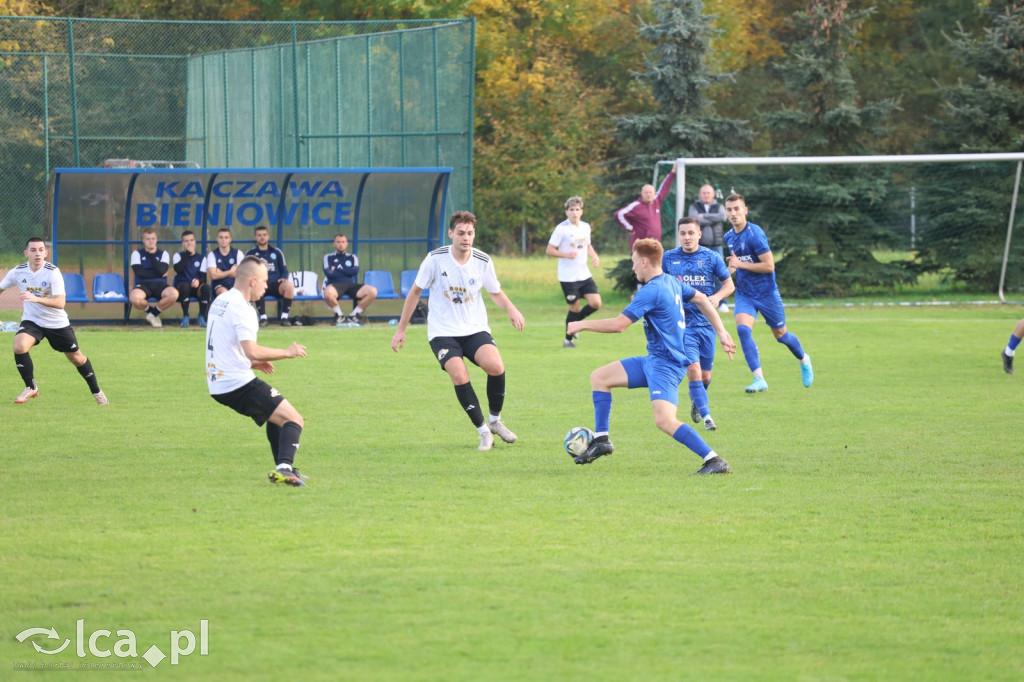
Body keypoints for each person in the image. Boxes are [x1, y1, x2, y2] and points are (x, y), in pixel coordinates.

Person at [567, 238, 735, 474]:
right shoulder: (671, 281)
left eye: (634, 262)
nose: (633, 267)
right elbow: (701, 298)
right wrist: (722, 331)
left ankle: (714, 459)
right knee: (600, 377)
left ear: (644, 261)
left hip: (666, 365)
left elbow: (619, 325)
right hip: (653, 360)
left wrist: (580, 325)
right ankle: (602, 440)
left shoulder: (652, 290)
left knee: (665, 421)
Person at [391, 211, 525, 451]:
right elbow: (414, 293)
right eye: (461, 233)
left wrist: (511, 309)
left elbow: (495, 291)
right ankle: (484, 432)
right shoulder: (435, 259)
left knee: (496, 367)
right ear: (451, 233)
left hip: (474, 329)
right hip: (443, 332)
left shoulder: (482, 260)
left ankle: (495, 421)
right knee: (460, 375)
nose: (466, 238)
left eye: (470, 233)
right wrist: (401, 330)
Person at [205, 255, 309, 486]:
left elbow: (223, 343)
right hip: (235, 382)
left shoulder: (221, 301)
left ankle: (285, 467)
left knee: (277, 416)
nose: (266, 286)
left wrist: (252, 363)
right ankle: (284, 469)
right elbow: (251, 350)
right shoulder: (243, 309)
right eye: (264, 281)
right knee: (295, 420)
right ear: (252, 281)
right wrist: (287, 351)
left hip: (218, 380)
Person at [722, 193, 813, 393]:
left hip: (767, 294)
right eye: (729, 209)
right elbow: (735, 264)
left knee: (781, 335)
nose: (733, 213)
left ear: (745, 210)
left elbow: (769, 266)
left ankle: (804, 359)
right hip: (745, 293)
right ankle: (759, 379)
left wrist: (740, 264)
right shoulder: (728, 237)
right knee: (743, 330)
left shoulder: (755, 234)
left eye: (737, 209)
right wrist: (728, 272)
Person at [0, 237, 108, 405]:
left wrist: (35, 299)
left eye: (41, 250)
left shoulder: (52, 272)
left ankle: (97, 391)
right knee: (19, 345)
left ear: (46, 252)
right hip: (32, 321)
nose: (38, 254)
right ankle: (31, 386)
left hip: (56, 323)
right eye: (33, 250)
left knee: (77, 359)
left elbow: (60, 303)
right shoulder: (18, 271)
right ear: (26, 253)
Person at [663, 217, 736, 430]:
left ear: (699, 234)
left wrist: (717, 297)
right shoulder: (669, 258)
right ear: (679, 235)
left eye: (691, 233)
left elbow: (729, 284)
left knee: (705, 376)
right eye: (683, 233)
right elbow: (660, 284)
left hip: (707, 324)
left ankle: (697, 398)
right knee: (693, 370)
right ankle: (707, 417)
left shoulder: (711, 257)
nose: (687, 237)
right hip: (682, 326)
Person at [546, 195, 602, 348]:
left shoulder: (585, 227)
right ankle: (567, 340)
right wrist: (566, 255)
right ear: (566, 212)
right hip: (568, 277)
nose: (574, 213)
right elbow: (549, 250)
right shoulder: (561, 229)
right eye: (571, 210)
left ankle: (576, 323)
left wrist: (594, 256)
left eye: (577, 210)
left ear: (581, 211)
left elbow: (587, 245)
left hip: (584, 274)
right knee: (574, 307)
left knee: (596, 303)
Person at [615, 159, 678, 249]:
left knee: (657, 263)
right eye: (646, 192)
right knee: (641, 263)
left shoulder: (657, 200)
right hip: (641, 245)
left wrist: (673, 172)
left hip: (656, 244)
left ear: (654, 193)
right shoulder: (636, 206)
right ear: (641, 194)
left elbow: (664, 187)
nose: (649, 195)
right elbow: (619, 214)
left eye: (650, 192)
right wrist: (630, 228)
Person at [246, 225, 297, 327]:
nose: (262, 237)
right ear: (255, 237)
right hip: (260, 284)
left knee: (289, 286)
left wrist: (283, 278)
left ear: (268, 236)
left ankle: (284, 318)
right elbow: (246, 271)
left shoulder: (277, 252)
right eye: (259, 235)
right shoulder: (250, 253)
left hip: (276, 283)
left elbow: (284, 270)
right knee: (255, 287)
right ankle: (263, 318)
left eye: (264, 235)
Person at [322, 233, 377, 326]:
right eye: (338, 242)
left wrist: (337, 269)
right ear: (334, 244)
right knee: (327, 293)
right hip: (335, 285)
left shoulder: (352, 257)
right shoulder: (328, 257)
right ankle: (339, 316)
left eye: (343, 242)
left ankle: (354, 315)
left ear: (347, 244)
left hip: (351, 284)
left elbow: (354, 271)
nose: (341, 244)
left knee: (372, 291)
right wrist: (346, 271)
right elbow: (328, 273)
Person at [128, 227, 178, 328]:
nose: (151, 241)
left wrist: (152, 255)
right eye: (148, 239)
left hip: (160, 285)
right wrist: (159, 273)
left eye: (153, 238)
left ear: (156, 240)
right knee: (134, 298)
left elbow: (161, 270)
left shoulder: (163, 254)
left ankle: (152, 315)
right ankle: (153, 313)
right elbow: (139, 272)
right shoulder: (136, 254)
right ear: (143, 240)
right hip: (143, 284)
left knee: (174, 294)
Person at [172, 230, 210, 328]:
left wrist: (198, 281)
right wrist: (187, 254)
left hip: (196, 287)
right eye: (186, 241)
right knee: (184, 287)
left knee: (206, 288)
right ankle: (186, 316)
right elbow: (178, 269)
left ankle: (201, 316)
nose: (189, 243)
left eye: (191, 240)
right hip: (183, 287)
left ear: (195, 241)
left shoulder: (202, 258)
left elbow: (203, 277)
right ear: (183, 243)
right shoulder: (178, 255)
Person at [202, 228, 245, 299]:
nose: (223, 240)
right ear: (217, 239)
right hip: (219, 285)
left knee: (242, 293)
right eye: (221, 237)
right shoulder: (212, 255)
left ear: (230, 239)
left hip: (236, 284)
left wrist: (221, 272)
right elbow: (213, 276)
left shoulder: (238, 253)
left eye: (226, 237)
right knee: (224, 293)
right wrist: (231, 271)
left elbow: (241, 275)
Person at [688, 184, 727, 258]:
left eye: (708, 193)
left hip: (717, 246)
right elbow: (694, 220)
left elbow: (722, 217)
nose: (706, 195)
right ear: (700, 194)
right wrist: (715, 220)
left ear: (713, 194)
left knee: (719, 269)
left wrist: (704, 215)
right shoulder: (694, 206)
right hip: (699, 246)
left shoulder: (719, 206)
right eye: (704, 193)